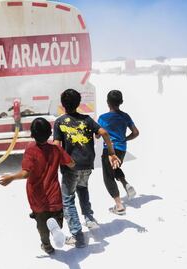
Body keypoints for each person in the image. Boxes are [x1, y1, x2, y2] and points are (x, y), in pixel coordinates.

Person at [53, 89, 120, 248]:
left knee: (68, 199)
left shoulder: (60, 122)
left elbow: (56, 145)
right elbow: (103, 132)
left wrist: (63, 160)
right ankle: (89, 218)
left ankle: (77, 235)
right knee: (82, 188)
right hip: (87, 164)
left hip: (71, 167)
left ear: (63, 105)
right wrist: (111, 152)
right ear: (78, 103)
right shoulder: (87, 119)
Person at [0, 117, 75, 254]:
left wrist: (12, 177)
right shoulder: (56, 149)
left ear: (32, 134)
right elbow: (71, 163)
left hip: (37, 196)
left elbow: (25, 173)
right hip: (54, 194)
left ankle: (47, 246)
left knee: (41, 223)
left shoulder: (30, 149)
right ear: (49, 133)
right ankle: (56, 227)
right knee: (55, 217)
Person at [98, 90, 139, 215]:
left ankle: (119, 205)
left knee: (108, 176)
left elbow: (97, 135)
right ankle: (126, 184)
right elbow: (136, 132)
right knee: (115, 168)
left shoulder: (103, 118)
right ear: (121, 102)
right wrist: (125, 138)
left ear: (107, 102)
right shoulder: (125, 116)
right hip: (121, 149)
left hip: (109, 151)